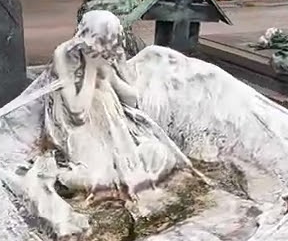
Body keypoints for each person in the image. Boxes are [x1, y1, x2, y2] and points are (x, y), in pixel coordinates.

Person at [44, 11, 191, 198]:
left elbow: (133, 100)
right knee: (98, 178)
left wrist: (114, 73)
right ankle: (108, 177)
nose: (110, 48)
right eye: (106, 41)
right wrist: (91, 69)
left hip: (115, 125)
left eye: (112, 42)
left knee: (160, 154)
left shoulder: (106, 54)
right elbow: (76, 113)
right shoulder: (65, 55)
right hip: (82, 129)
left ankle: (130, 176)